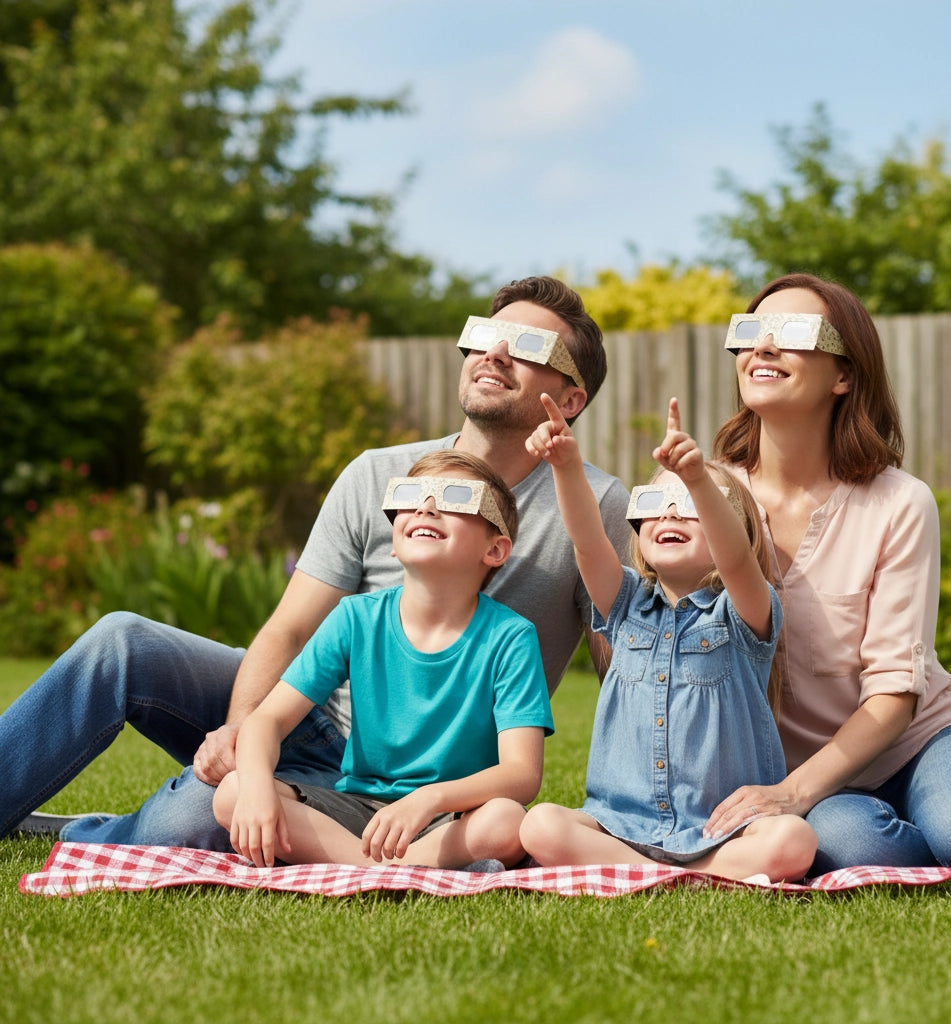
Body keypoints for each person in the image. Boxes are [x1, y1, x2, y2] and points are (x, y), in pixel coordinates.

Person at [3, 276, 633, 850]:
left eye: (526, 347)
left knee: (184, 824)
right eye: (485, 336)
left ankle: (86, 837)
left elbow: (627, 664)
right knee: (122, 642)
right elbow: (292, 629)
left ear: (570, 399)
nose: (495, 353)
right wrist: (243, 731)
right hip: (313, 720)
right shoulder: (376, 475)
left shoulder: (595, 503)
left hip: (435, 778)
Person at [702, 272, 951, 876]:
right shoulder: (708, 497)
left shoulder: (900, 502)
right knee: (854, 849)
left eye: (793, 333)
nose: (762, 347)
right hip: (819, 781)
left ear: (845, 375)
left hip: (921, 744)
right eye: (749, 332)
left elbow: (895, 695)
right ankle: (924, 841)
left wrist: (792, 798)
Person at [517, 392, 817, 883]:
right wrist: (567, 465)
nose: (669, 515)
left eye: (690, 507)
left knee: (793, 840)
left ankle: (651, 873)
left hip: (723, 829)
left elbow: (737, 559)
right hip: (621, 825)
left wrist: (698, 478)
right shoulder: (625, 604)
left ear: (731, 528)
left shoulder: (743, 609)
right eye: (654, 503)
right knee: (541, 825)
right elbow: (588, 541)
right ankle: (688, 875)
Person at [212, 450, 553, 870]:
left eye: (455, 500)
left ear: (496, 549)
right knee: (233, 791)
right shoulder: (355, 618)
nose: (427, 507)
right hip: (355, 809)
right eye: (412, 497)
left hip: (447, 817)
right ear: (393, 539)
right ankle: (388, 869)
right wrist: (259, 787)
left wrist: (429, 798)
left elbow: (522, 775)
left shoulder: (511, 637)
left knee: (505, 820)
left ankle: (356, 866)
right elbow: (266, 721)